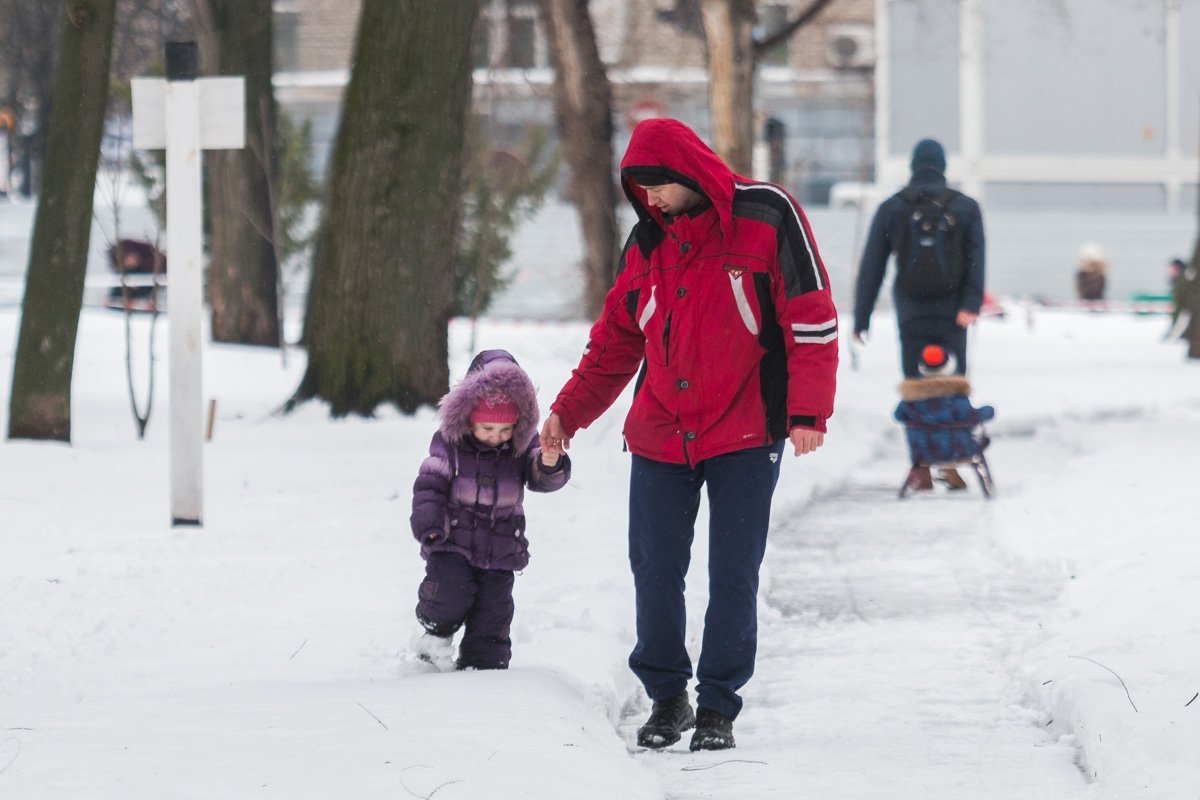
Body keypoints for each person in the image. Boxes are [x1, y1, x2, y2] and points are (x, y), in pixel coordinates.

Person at [538, 118, 838, 751]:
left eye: (658, 185)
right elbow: (615, 342)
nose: (649, 198)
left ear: (689, 172)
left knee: (733, 571)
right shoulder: (648, 242)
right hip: (660, 432)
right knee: (654, 568)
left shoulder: (768, 214)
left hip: (746, 428)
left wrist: (808, 412)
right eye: (639, 189)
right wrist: (568, 414)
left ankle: (718, 707)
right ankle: (667, 698)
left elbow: (810, 316)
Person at [409, 349, 570, 671]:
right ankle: (434, 639)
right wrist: (429, 522)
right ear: (469, 417)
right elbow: (430, 484)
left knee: (493, 615)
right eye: (487, 428)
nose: (497, 437)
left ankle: (486, 670)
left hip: (500, 547)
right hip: (452, 541)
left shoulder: (521, 446)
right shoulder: (450, 443)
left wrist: (550, 463)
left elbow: (540, 479)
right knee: (448, 594)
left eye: (505, 429)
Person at [853, 138, 985, 377]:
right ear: (943, 167)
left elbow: (872, 265)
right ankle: (953, 401)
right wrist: (971, 304)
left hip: (911, 310)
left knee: (915, 383)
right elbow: (975, 259)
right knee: (953, 382)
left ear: (913, 167)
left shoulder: (892, 207)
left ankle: (917, 399)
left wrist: (862, 318)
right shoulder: (966, 207)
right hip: (954, 311)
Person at [894, 344, 994, 492]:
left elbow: (898, 415)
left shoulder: (912, 400)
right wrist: (988, 411)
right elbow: (972, 416)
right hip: (960, 450)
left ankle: (926, 478)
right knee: (977, 437)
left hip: (924, 451)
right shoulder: (957, 398)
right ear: (949, 368)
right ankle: (952, 475)